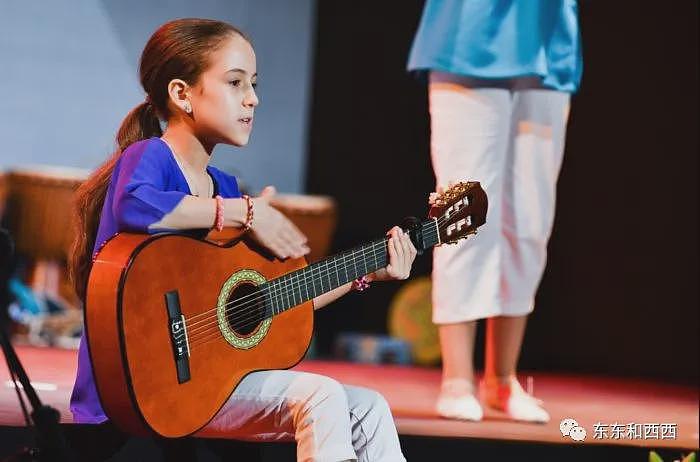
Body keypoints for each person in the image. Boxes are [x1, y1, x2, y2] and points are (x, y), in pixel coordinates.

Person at [69, 18, 415, 461]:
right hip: (138, 389)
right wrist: (244, 212)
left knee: (369, 407)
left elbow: (275, 303)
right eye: (235, 83)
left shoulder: (225, 185)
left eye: (253, 84)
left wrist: (368, 270)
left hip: (208, 385)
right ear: (182, 94)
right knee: (321, 395)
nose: (253, 98)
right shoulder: (151, 156)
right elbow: (138, 207)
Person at [407, 0, 583, 423]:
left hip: (548, 38)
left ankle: (502, 380)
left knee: (530, 219)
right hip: (472, 32)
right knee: (463, 211)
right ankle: (457, 379)